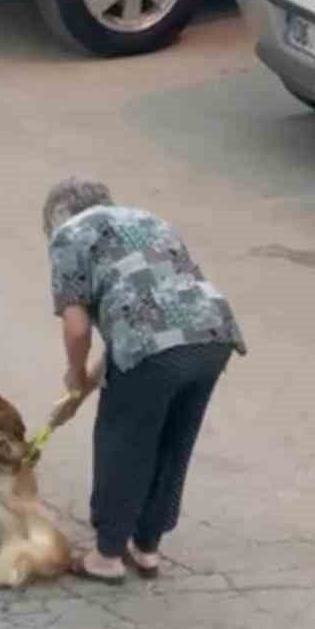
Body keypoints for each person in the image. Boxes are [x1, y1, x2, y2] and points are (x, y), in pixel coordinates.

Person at [43, 177, 245, 584]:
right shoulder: (148, 220)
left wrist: (74, 375)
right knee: (174, 441)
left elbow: (79, 328)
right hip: (211, 335)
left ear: (55, 218)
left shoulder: (69, 236)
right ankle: (147, 547)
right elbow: (142, 326)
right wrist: (83, 390)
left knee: (123, 442)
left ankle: (107, 556)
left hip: (151, 347)